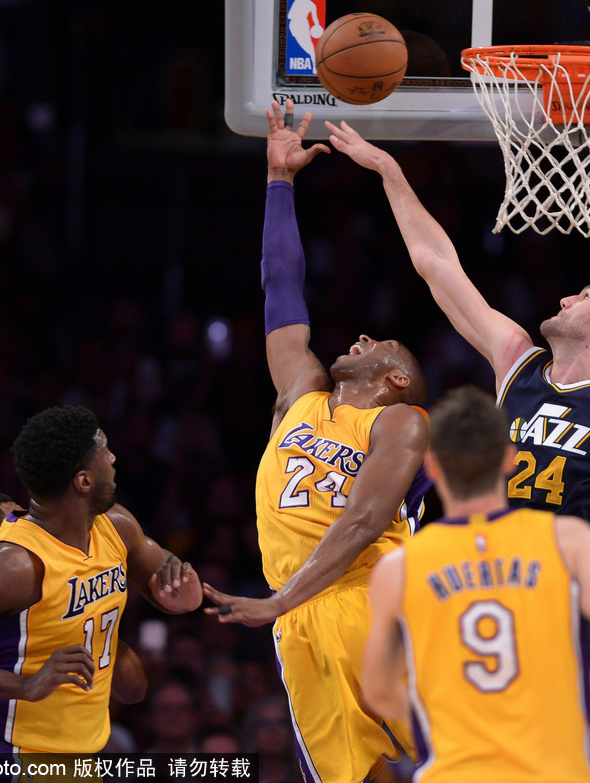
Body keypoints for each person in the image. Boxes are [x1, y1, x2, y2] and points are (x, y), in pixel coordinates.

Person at [326, 119, 590, 782]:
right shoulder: (517, 360)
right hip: (500, 592)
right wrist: (388, 171)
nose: (566, 296)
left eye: (584, 297)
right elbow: (436, 264)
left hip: (582, 608)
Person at [203, 101, 430, 783]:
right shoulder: (300, 392)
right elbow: (281, 285)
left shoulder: (400, 421)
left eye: (379, 343)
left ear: (394, 378)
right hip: (299, 614)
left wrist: (277, 599)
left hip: (369, 596)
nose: (359, 336)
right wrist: (280, 181)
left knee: (460, 761)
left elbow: (362, 522)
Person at [362, 386, 590, 783]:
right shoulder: (568, 542)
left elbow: (380, 690)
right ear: (510, 459)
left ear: (433, 466)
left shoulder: (398, 568)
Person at [0, 405, 202, 759]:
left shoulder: (116, 527)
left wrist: (177, 578)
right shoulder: (12, 563)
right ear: (83, 481)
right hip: (5, 760)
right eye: (104, 450)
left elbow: (134, 686)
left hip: (76, 759)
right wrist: (25, 685)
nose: (113, 457)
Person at [0, 492, 149, 736]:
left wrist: (92, 622)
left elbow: (134, 691)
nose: (35, 528)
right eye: (19, 521)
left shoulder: (51, 602)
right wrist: (26, 684)